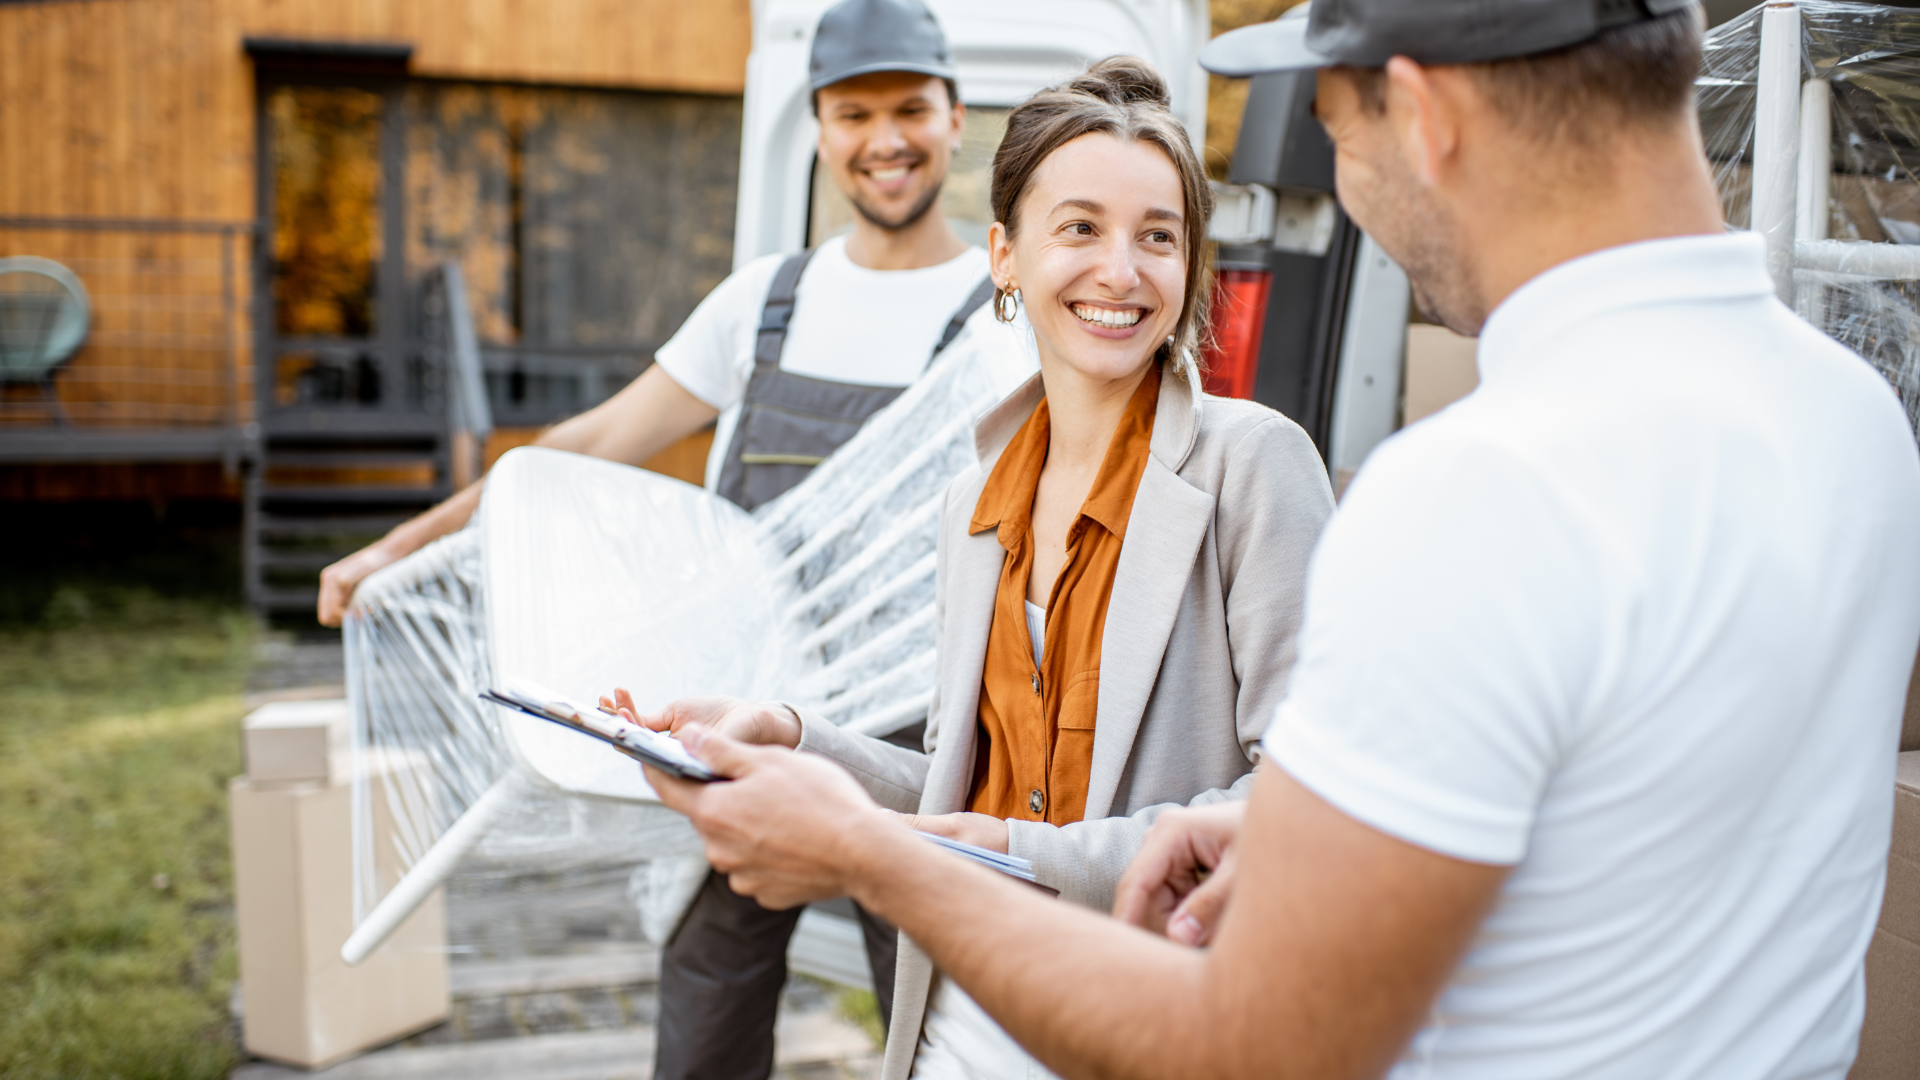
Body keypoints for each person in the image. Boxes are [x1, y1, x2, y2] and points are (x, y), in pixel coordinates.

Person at [641, 2, 1920, 1079]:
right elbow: (1628, 804)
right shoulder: (1855, 420)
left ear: (1424, 116)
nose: (1346, 182)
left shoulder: (1472, 491)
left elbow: (1255, 1042)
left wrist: (872, 855)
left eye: (1334, 125)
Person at [318, 1, 1004, 1076]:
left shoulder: (1001, 317)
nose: (886, 139)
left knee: (941, 1033)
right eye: (854, 112)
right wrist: (397, 550)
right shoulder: (764, 304)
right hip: (740, 727)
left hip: (919, 747)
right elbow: (584, 447)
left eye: (911, 108)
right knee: (706, 1022)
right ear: (818, 127)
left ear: (956, 118)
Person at [615, 56, 1333, 1080]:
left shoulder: (1254, 465)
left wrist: (1012, 859)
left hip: (1147, 1024)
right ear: (1004, 254)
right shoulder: (975, 504)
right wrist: (787, 734)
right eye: (1079, 228)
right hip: (956, 1030)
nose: (1121, 272)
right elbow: (955, 796)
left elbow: (1306, 807)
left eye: (1158, 237)